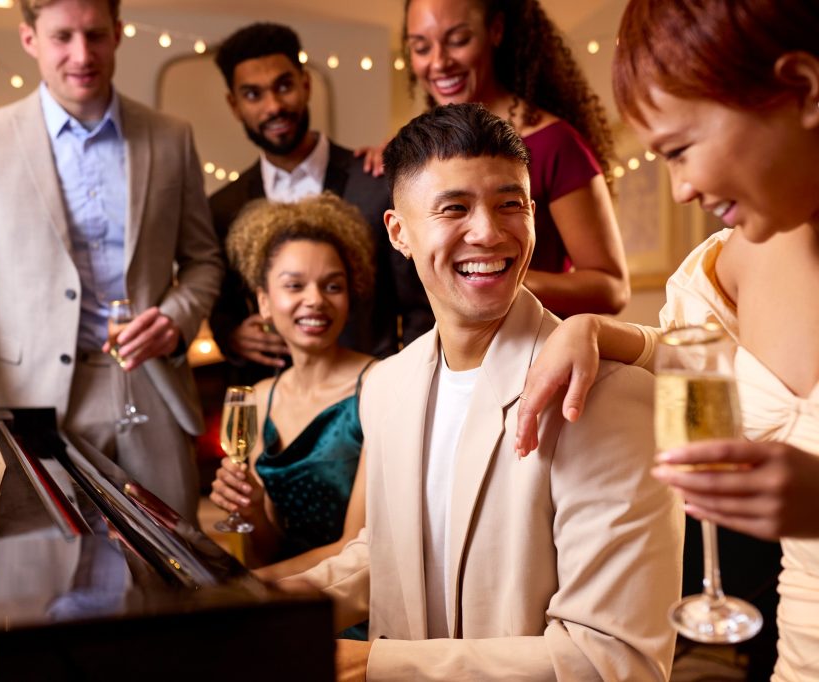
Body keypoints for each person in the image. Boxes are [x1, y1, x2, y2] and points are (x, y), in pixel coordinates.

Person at [283, 103, 683, 680]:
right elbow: (394, 549)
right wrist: (255, 606)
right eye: (454, 208)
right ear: (399, 232)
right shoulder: (387, 386)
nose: (488, 232)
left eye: (509, 205)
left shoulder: (612, 397)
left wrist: (370, 665)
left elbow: (612, 660)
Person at [514, 1, 819, 678]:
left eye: (680, 151)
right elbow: (699, 354)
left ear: (801, 89)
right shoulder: (740, 259)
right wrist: (598, 331)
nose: (679, 189)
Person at [0, 0, 223, 524]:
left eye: (95, 35)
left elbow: (205, 260)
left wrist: (177, 319)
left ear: (118, 33)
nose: (81, 54)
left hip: (152, 391)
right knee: (39, 579)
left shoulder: (171, 135)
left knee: (176, 574)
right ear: (30, 39)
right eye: (62, 37)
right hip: (31, 401)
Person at [359, 0, 629, 317]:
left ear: (496, 31)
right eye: (421, 48)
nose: (438, 62)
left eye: (458, 41)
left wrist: (488, 273)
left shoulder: (555, 144)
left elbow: (611, 289)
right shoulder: (414, 152)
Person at [209, 22, 433, 386]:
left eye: (284, 86)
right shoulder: (223, 207)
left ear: (305, 84)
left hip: (369, 392)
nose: (274, 106)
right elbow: (222, 310)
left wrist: (405, 386)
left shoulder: (375, 181)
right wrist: (231, 336)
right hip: (270, 400)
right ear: (234, 105)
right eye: (253, 95)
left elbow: (419, 307)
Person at [209, 194, 373, 579]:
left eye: (333, 287)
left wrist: (242, 590)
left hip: (355, 607)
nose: (315, 300)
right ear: (264, 302)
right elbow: (265, 554)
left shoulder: (377, 385)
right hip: (282, 600)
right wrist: (250, 512)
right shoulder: (260, 397)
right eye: (294, 286)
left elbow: (356, 549)